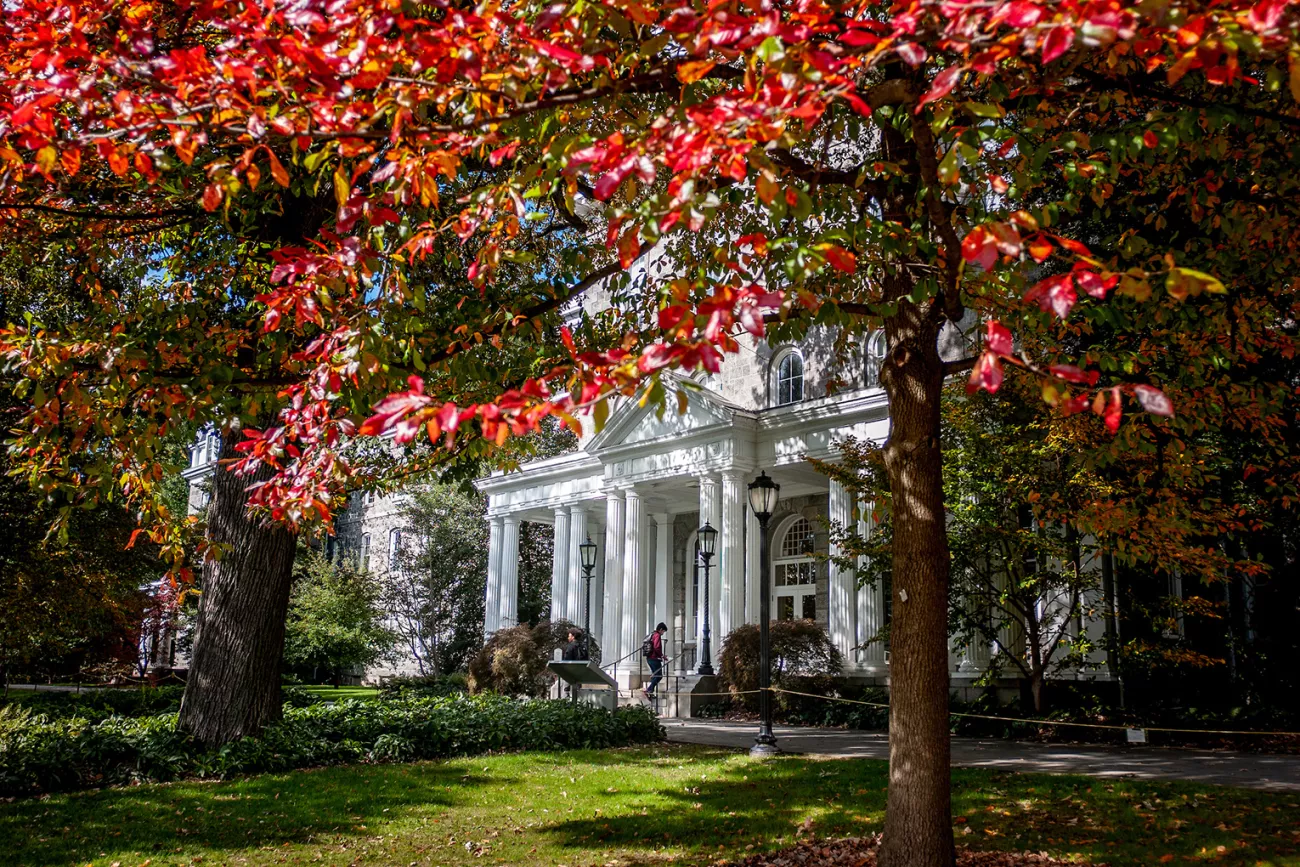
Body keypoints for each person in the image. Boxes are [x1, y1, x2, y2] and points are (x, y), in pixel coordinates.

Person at [641, 622, 668, 700]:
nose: (663, 633)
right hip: (654, 658)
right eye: (663, 631)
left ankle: (650, 691)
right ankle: (649, 690)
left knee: (655, 674)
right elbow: (657, 647)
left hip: (649, 658)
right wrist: (662, 656)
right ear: (661, 629)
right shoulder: (657, 635)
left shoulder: (652, 634)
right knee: (659, 675)